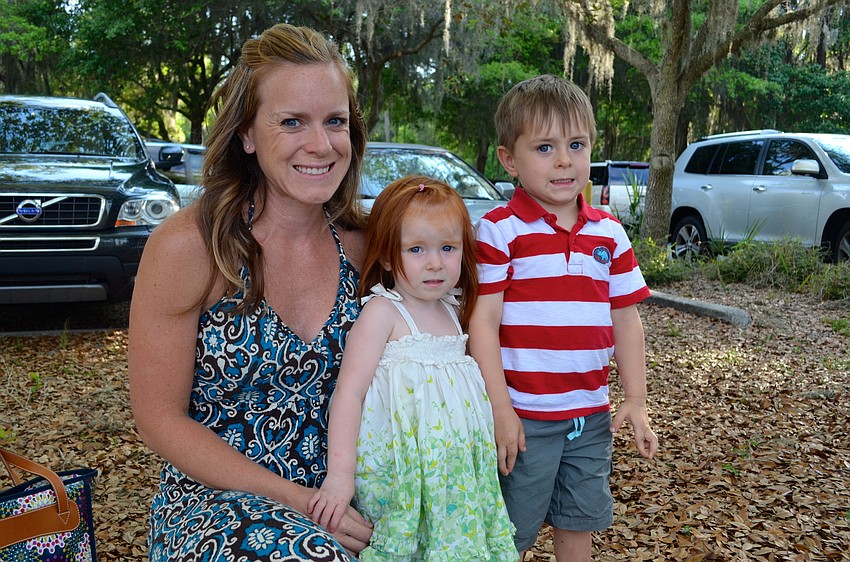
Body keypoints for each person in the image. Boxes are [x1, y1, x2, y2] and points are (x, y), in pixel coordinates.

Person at [128, 23, 374, 561]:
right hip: (218, 504)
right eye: (292, 122)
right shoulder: (191, 247)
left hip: (352, 497)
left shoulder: (366, 247)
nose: (321, 144)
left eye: (335, 121)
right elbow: (158, 418)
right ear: (246, 134)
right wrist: (300, 504)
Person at [468, 74, 660, 562]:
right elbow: (482, 323)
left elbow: (627, 320)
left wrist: (634, 398)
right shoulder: (500, 231)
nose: (564, 160)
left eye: (576, 144)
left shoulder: (610, 232)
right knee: (510, 534)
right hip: (524, 417)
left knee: (579, 524)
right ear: (509, 159)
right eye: (545, 147)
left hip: (590, 416)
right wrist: (500, 410)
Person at [307, 175, 518, 561]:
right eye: (417, 249)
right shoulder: (384, 312)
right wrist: (339, 476)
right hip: (406, 476)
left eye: (448, 247)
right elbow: (349, 394)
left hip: (455, 481)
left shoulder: (455, 312)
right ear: (389, 256)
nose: (435, 262)